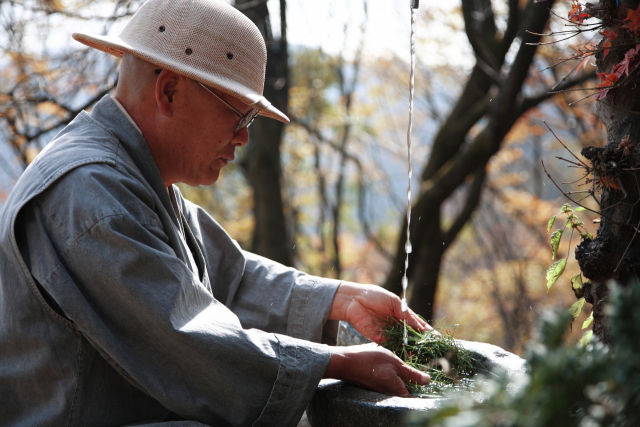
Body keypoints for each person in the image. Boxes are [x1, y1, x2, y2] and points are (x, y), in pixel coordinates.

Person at [0, 0, 432, 426]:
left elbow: (230, 279)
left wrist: (340, 298)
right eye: (239, 113)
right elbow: (187, 340)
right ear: (169, 91)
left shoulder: (131, 178)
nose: (243, 137)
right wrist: (336, 362)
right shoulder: (89, 192)